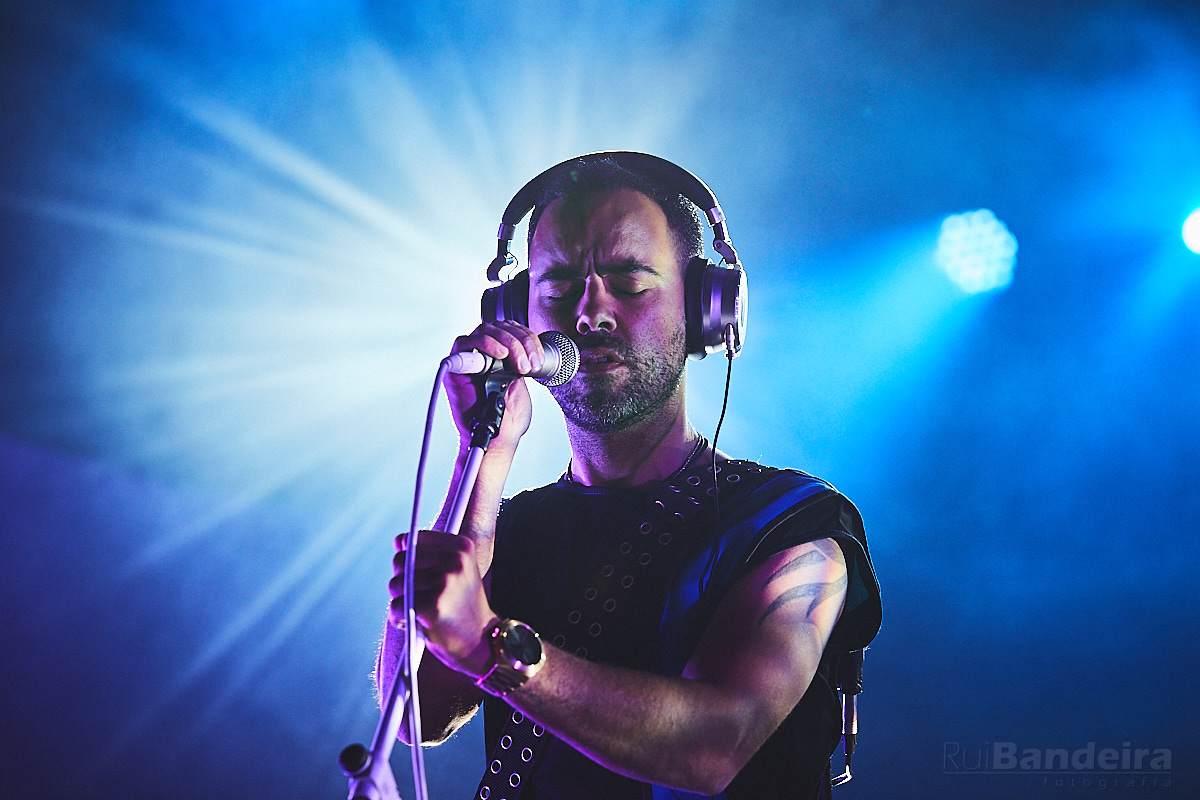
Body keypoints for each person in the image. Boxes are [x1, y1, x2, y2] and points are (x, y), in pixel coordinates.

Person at [377, 155, 882, 800]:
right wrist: (484, 459)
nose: (589, 314)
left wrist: (489, 645)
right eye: (556, 285)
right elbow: (416, 712)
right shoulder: (517, 527)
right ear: (515, 308)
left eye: (629, 282)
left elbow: (715, 745)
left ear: (704, 312)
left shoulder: (788, 522)